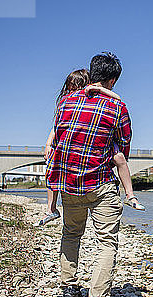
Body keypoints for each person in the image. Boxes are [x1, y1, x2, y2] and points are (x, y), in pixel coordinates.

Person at [45, 52, 130, 297]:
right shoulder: (117, 107)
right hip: (100, 185)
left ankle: (69, 290)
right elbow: (124, 146)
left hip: (69, 185)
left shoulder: (66, 102)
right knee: (106, 242)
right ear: (112, 79)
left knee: (71, 234)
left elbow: (58, 137)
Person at [37, 69, 145, 226]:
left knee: (120, 159)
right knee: (52, 166)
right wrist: (48, 144)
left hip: (93, 150)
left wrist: (100, 90)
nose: (73, 92)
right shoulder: (69, 102)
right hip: (88, 165)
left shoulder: (78, 100)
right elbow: (56, 127)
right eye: (70, 88)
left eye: (76, 87)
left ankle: (130, 195)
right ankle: (51, 209)